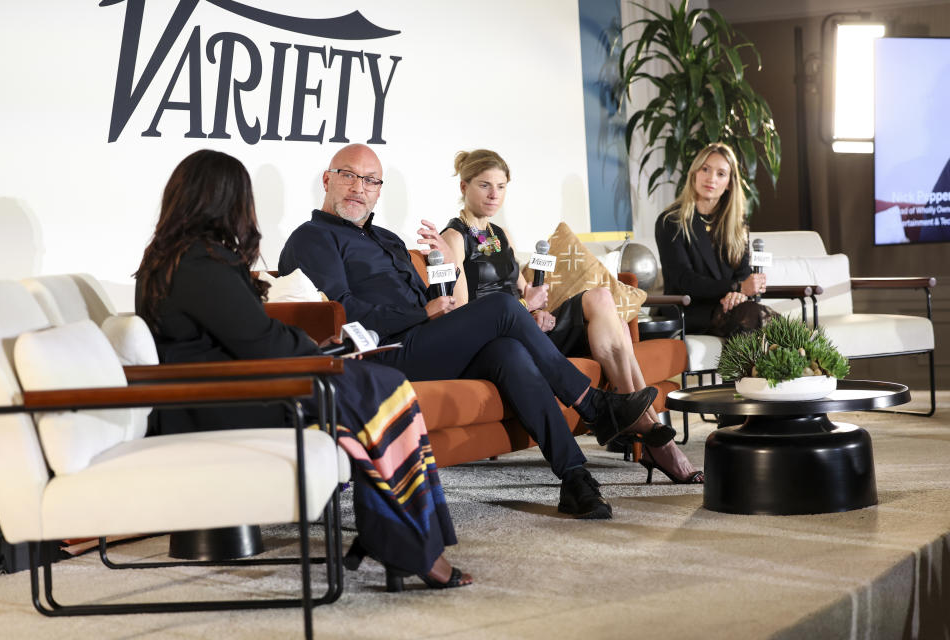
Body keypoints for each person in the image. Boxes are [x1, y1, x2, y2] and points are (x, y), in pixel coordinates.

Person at [135, 149, 471, 591]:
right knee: (381, 386)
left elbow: (247, 335)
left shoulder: (180, 258)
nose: (248, 209)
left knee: (380, 384)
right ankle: (408, 543)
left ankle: (403, 539)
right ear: (222, 200)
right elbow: (256, 339)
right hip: (218, 402)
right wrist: (316, 348)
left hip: (229, 390)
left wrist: (320, 348)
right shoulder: (198, 263)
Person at [279, 143, 659, 520]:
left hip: (425, 343)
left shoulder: (389, 240)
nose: (358, 188)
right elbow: (341, 311)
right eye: (348, 176)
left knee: (509, 351)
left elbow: (434, 299)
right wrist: (424, 313)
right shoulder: (312, 237)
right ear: (328, 179)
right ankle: (591, 403)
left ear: (379, 190)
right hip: (383, 352)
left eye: (370, 180)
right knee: (504, 306)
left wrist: (443, 265)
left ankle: (575, 477)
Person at [440, 149, 702, 485]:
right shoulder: (453, 238)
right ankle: (654, 436)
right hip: (497, 342)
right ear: (464, 186)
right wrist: (524, 313)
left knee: (604, 302)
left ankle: (639, 423)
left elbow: (523, 295)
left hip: (526, 330)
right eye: (485, 185)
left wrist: (537, 309)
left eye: (502, 186)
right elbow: (465, 314)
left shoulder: (498, 235)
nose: (495, 195)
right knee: (614, 325)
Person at [654, 142, 774, 338]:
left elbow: (743, 272)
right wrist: (735, 288)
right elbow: (685, 280)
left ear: (729, 184)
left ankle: (779, 364)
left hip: (730, 306)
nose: (711, 179)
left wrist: (737, 294)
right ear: (694, 173)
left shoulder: (737, 223)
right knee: (753, 317)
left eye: (721, 174)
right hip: (690, 309)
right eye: (705, 169)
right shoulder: (671, 221)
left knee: (754, 318)